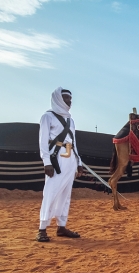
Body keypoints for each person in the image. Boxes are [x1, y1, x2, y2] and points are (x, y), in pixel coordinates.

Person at [36, 87, 84, 242]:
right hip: (55, 159)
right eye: (66, 99)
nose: (69, 102)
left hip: (70, 159)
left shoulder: (71, 120)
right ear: (58, 99)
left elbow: (74, 142)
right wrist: (46, 162)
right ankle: (42, 229)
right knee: (50, 192)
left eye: (70, 99)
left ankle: (61, 226)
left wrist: (79, 163)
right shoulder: (47, 117)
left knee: (66, 194)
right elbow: (43, 142)